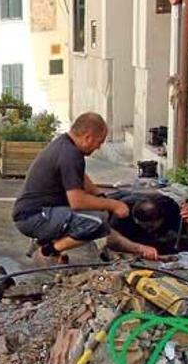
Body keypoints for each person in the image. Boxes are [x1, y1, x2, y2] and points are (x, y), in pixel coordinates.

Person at [12, 112, 131, 265]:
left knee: (96, 212)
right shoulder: (70, 154)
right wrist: (114, 205)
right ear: (88, 137)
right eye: (99, 142)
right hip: (34, 217)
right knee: (97, 222)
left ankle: (46, 241)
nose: (99, 147)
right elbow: (77, 201)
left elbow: (79, 176)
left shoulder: (65, 144)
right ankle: (48, 250)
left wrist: (98, 195)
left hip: (36, 211)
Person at [107, 192, 188, 257]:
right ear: (136, 220)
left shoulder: (169, 209)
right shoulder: (122, 214)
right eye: (145, 226)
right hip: (132, 238)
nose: (148, 229)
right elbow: (113, 243)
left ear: (161, 219)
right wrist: (138, 249)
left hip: (157, 240)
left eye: (151, 226)